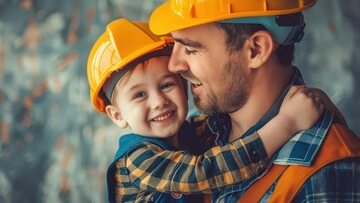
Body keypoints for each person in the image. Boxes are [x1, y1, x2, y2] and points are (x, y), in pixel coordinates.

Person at [149, 0, 360, 202]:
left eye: (190, 48)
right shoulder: (198, 135)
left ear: (256, 49)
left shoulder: (326, 172)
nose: (174, 65)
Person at [86, 18, 324, 203]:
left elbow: (233, 118)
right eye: (139, 95)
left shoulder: (196, 130)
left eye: (167, 85)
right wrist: (285, 124)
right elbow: (204, 172)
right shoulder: (138, 160)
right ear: (117, 115)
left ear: (183, 85)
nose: (159, 101)